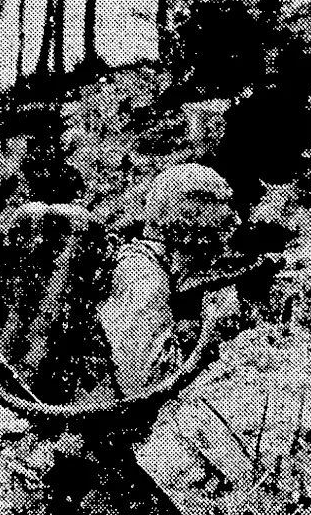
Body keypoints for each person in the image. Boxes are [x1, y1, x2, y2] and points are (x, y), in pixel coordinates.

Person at [98, 163, 242, 397]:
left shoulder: (174, 269)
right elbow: (142, 384)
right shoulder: (140, 270)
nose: (236, 223)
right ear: (189, 217)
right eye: (224, 221)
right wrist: (208, 328)